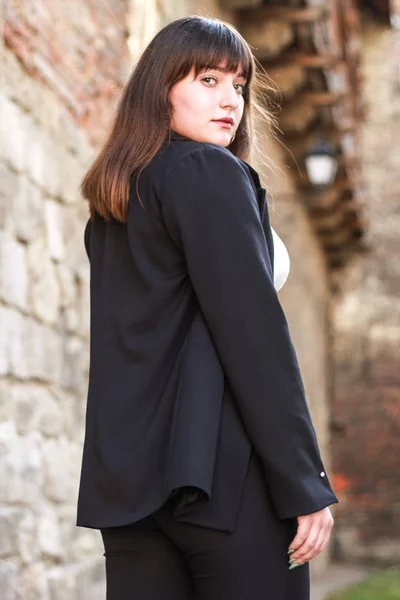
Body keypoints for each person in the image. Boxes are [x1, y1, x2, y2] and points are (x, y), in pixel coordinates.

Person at [77, 15, 338, 600]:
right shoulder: (207, 170)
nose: (230, 101)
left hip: (130, 490)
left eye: (238, 86)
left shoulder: (114, 201)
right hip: (220, 481)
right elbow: (254, 338)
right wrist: (305, 482)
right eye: (207, 80)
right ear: (160, 87)